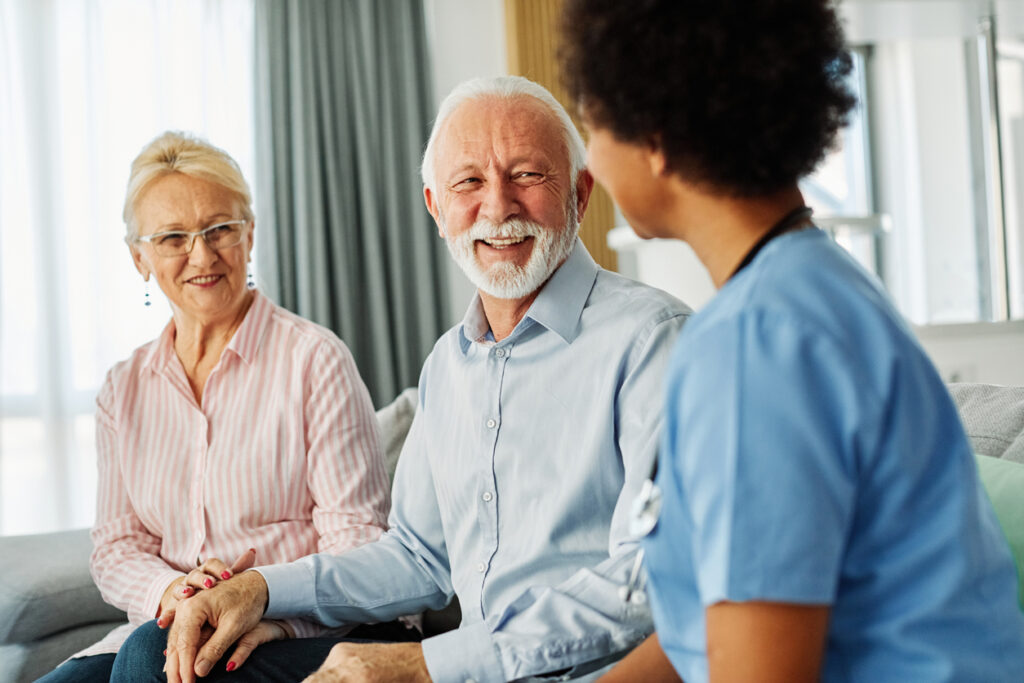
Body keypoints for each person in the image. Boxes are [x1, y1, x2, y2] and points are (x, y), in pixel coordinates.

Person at [125, 76, 692, 683]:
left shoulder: (652, 338)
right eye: (468, 182)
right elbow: (417, 558)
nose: (498, 207)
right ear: (436, 208)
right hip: (464, 671)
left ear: (580, 193)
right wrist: (259, 591)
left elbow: (653, 575)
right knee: (155, 653)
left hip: (583, 673)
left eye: (528, 175)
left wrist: (426, 664)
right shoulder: (450, 365)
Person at [559, 1, 1024, 681]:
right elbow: (708, 630)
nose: (591, 163)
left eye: (591, 127)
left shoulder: (754, 347)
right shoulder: (819, 280)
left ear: (654, 134)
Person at [36, 132, 393, 682]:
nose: (201, 255)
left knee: (147, 660)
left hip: (300, 627)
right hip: (172, 617)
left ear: (249, 236)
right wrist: (175, 592)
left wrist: (268, 610)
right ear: (140, 258)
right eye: (173, 237)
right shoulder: (123, 388)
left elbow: (359, 545)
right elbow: (117, 547)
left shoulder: (315, 360)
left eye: (219, 229)